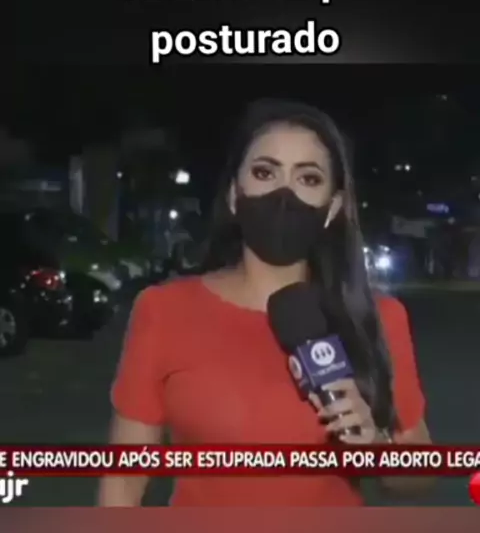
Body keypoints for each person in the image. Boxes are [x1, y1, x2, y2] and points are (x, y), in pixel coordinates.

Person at [99, 99, 432, 507]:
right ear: (234, 194)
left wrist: (374, 445)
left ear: (332, 208)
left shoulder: (378, 317)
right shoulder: (164, 310)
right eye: (264, 173)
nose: (283, 195)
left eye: (308, 178)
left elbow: (419, 477)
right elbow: (123, 481)